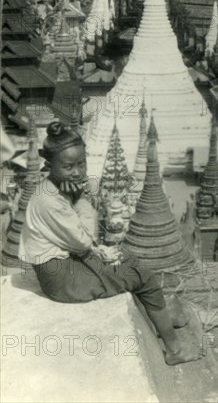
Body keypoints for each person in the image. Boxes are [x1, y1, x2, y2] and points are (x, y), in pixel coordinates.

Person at [19, 121, 201, 366]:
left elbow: (79, 240)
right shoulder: (49, 199)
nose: (77, 172)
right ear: (50, 165)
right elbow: (84, 240)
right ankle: (174, 349)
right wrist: (81, 197)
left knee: (127, 262)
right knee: (142, 275)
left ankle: (162, 317)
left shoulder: (55, 187)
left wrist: (75, 196)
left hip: (65, 262)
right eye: (68, 166)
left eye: (81, 163)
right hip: (61, 277)